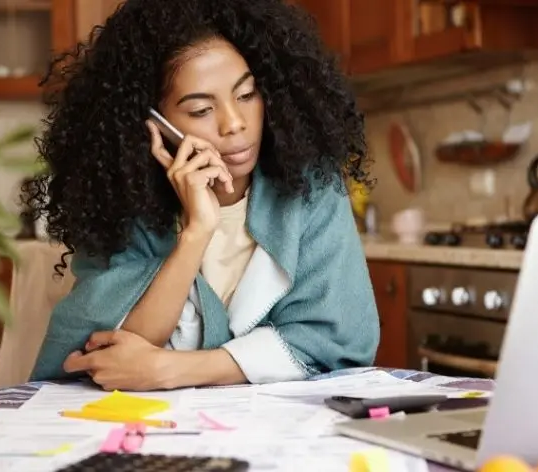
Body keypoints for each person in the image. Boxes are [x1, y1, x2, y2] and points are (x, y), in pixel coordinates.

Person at [23, 0, 379, 391]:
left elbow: (337, 339)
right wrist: (196, 232)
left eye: (247, 95)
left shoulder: (309, 189)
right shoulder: (121, 208)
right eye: (200, 110)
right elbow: (113, 358)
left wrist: (175, 370)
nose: (234, 124)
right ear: (151, 125)